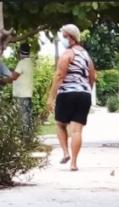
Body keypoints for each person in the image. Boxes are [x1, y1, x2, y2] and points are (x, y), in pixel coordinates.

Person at [47, 24, 95, 171]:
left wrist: (51, 96)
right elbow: (92, 76)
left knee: (60, 124)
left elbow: (60, 75)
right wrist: (87, 91)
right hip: (84, 95)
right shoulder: (86, 55)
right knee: (77, 130)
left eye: (64, 36)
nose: (63, 40)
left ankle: (66, 153)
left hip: (67, 94)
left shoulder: (67, 53)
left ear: (71, 37)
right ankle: (74, 163)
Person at [11, 43, 35, 130]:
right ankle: (28, 136)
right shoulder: (30, 62)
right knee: (27, 117)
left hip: (21, 95)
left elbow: (14, 76)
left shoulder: (21, 63)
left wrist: (2, 80)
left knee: (23, 118)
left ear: (20, 52)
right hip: (27, 94)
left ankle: (24, 137)